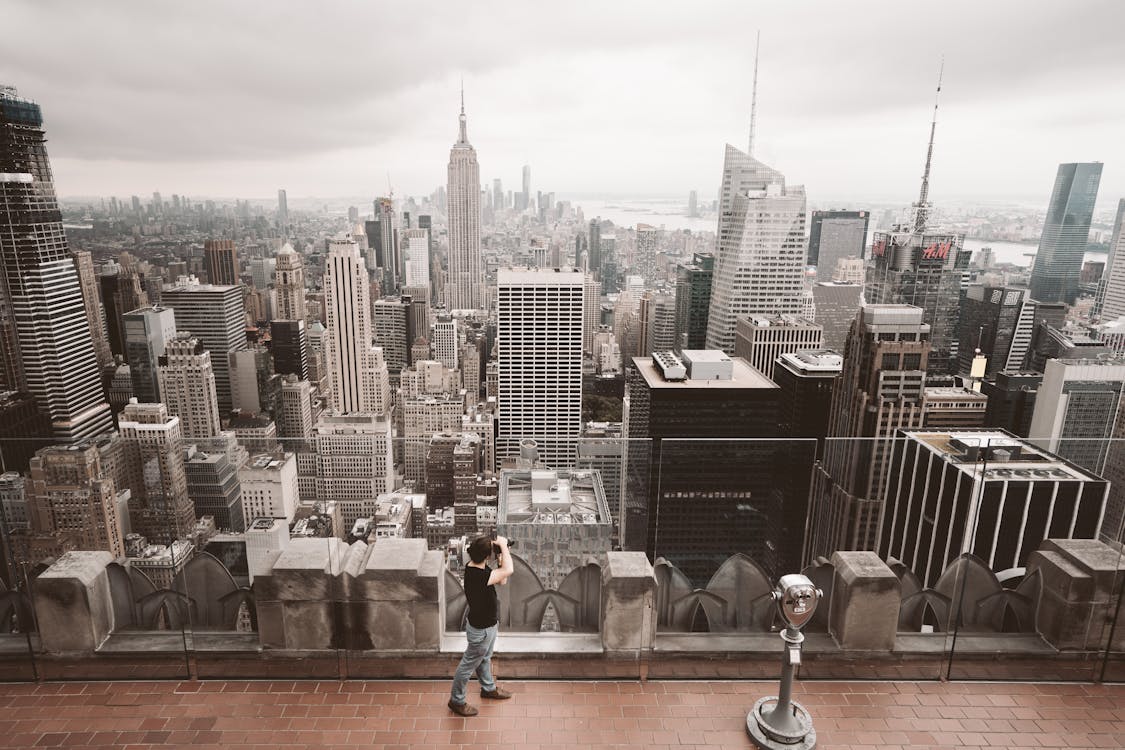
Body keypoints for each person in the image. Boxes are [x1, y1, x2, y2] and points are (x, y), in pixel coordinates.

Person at [448, 533, 514, 716]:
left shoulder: (475, 567)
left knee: (484, 658)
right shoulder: (479, 576)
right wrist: (504, 547)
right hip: (481, 630)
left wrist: (500, 553)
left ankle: (488, 688)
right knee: (467, 665)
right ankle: (456, 700)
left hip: (488, 625)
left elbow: (502, 579)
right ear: (486, 556)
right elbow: (509, 571)